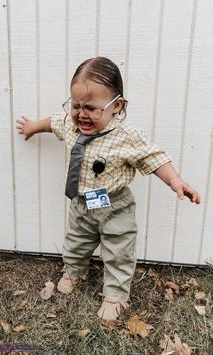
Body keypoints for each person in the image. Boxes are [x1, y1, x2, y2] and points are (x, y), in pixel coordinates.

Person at [16, 57, 201, 321]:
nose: (81, 114)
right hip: (81, 203)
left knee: (118, 252)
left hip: (115, 206)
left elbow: (154, 156)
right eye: (76, 105)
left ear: (117, 105)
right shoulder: (71, 123)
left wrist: (175, 180)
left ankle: (115, 294)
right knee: (76, 242)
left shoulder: (127, 136)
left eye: (91, 108)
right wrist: (34, 127)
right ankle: (75, 271)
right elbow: (54, 122)